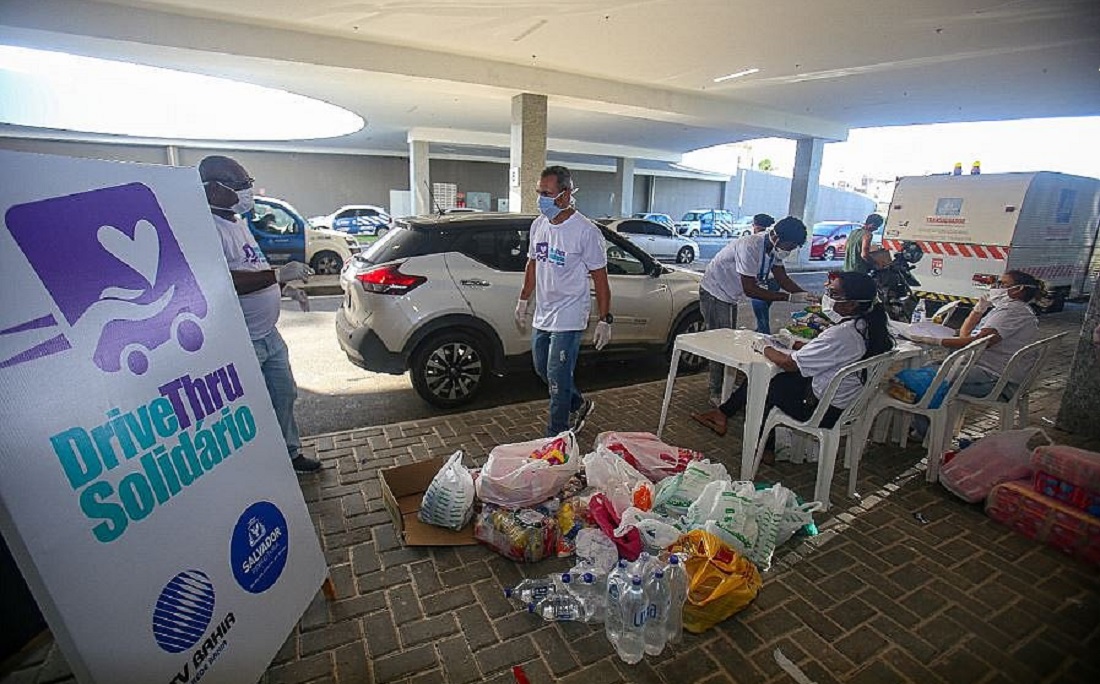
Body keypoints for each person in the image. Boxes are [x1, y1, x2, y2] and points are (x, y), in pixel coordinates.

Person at [198, 155, 322, 473]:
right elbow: (223, 282)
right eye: (240, 185)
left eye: (247, 184)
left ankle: (290, 454)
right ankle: (259, 468)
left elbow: (253, 267)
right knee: (251, 406)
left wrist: (281, 291)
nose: (247, 192)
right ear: (213, 189)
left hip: (268, 333)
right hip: (243, 340)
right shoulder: (206, 227)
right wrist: (278, 276)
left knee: (284, 393)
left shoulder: (237, 222)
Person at [692, 272, 894, 449]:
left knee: (765, 382)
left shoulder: (843, 334)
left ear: (852, 304)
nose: (827, 298)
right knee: (774, 380)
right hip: (842, 402)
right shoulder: (868, 327)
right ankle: (723, 414)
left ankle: (762, 446)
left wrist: (764, 346)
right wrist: (792, 344)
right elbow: (827, 355)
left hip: (820, 409)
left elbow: (789, 364)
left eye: (834, 294)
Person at [515, 165, 612, 437]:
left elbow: (601, 279)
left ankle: (556, 435)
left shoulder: (586, 231)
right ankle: (579, 403)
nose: (541, 200)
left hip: (570, 313)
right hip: (544, 311)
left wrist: (605, 319)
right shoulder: (539, 225)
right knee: (541, 369)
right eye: (539, 193)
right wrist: (524, 299)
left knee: (557, 376)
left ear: (566, 194)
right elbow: (532, 264)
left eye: (547, 193)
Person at [699, 216, 813, 407]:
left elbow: (781, 277)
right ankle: (716, 390)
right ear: (777, 237)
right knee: (721, 344)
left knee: (727, 341)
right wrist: (788, 298)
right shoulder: (750, 246)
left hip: (729, 295)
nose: (790, 251)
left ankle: (725, 385)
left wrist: (805, 295)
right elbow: (750, 289)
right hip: (714, 292)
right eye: (790, 246)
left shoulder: (773, 249)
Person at [910, 270, 1040, 399]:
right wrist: (978, 310)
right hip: (987, 369)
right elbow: (964, 336)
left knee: (921, 382)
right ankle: (930, 417)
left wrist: (935, 341)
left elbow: (977, 343)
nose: (994, 287)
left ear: (1018, 289)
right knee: (927, 370)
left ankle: (928, 418)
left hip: (997, 379)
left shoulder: (1013, 312)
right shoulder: (1007, 309)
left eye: (1001, 284)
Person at [745, 213, 779, 333]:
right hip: (774, 283)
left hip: (761, 283)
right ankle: (759, 333)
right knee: (763, 315)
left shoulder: (754, 240)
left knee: (762, 319)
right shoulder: (772, 239)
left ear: (755, 225)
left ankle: (765, 342)